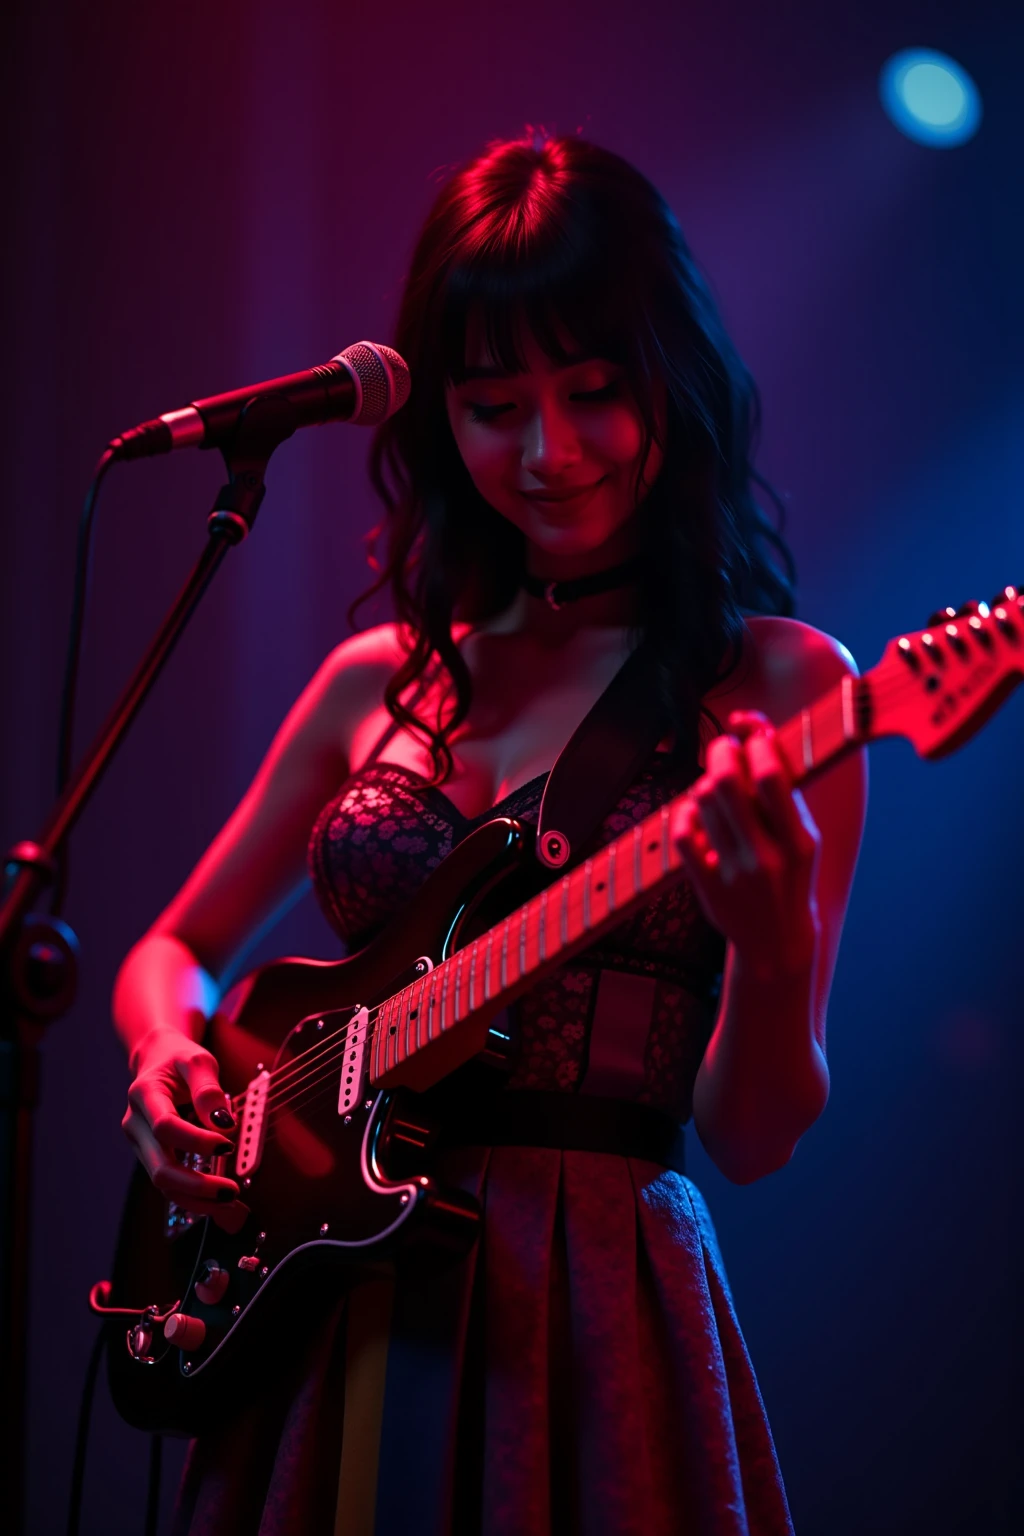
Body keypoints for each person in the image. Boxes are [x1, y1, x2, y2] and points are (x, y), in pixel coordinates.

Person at [113, 133, 867, 1535]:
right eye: (494, 404)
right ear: (436, 422)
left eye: (594, 392)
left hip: (590, 1308)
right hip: (316, 1295)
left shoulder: (784, 688)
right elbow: (174, 948)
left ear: (673, 386)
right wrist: (168, 1063)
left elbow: (754, 1139)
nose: (549, 451)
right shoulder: (378, 679)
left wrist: (774, 949)